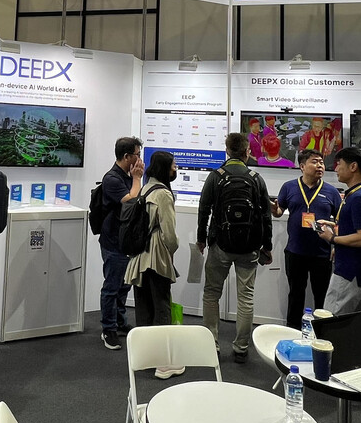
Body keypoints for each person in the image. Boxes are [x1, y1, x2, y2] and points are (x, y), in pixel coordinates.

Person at [197, 132, 273, 362]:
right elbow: (266, 215)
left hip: (220, 244)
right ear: (247, 152)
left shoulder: (216, 176)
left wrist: (201, 239)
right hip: (249, 247)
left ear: (227, 151)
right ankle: (241, 348)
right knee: (246, 297)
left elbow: (204, 209)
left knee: (212, 293)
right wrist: (267, 246)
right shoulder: (256, 178)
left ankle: (211, 344)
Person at [124, 151, 182, 377]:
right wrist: (173, 250)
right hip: (157, 256)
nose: (176, 169)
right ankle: (164, 363)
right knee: (161, 307)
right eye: (174, 166)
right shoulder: (164, 194)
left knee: (143, 308)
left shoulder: (145, 188)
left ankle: (144, 358)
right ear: (165, 168)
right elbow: (169, 234)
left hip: (139, 257)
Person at [273, 149, 341, 330]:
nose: (320, 166)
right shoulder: (289, 187)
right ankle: (293, 329)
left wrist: (336, 243)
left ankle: (322, 331)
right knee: (296, 293)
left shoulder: (331, 191)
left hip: (321, 253)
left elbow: (340, 220)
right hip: (295, 251)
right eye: (315, 162)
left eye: (321, 162)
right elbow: (279, 211)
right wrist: (274, 210)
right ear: (302, 166)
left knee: (322, 295)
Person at [316, 146, 361, 318]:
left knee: (331, 323)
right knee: (358, 327)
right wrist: (334, 225)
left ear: (353, 167)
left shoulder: (359, 197)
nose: (336, 169)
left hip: (351, 273)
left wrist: (332, 238)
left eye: (339, 164)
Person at [98, 136, 145, 350]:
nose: (140, 159)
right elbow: (131, 202)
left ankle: (119, 321)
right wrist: (137, 179)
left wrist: (135, 179)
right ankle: (108, 329)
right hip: (113, 241)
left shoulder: (127, 176)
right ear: (126, 156)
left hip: (127, 241)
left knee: (124, 285)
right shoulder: (112, 179)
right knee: (112, 286)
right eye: (137, 155)